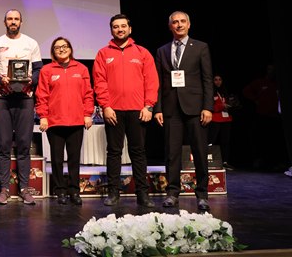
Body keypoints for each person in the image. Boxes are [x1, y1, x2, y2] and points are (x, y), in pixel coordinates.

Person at [93, 14, 159, 208]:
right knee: (114, 152)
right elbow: (99, 81)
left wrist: (149, 105)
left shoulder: (142, 52)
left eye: (123, 26)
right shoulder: (103, 53)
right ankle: (113, 193)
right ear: (111, 30)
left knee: (138, 152)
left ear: (130, 29)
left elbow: (151, 81)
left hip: (138, 111)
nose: (120, 29)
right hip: (113, 111)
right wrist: (105, 106)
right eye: (116, 26)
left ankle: (142, 194)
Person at [154, 11, 213, 212]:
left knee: (200, 152)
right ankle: (172, 193)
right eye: (175, 22)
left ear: (189, 24)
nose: (179, 25)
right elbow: (159, 83)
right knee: (172, 153)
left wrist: (208, 107)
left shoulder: (200, 47)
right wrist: (158, 108)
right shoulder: (162, 50)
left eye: (182, 21)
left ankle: (202, 195)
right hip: (171, 108)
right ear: (170, 26)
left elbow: (207, 79)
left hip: (196, 108)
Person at [0, 9, 43, 205]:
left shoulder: (31, 43)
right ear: (5, 22)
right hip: (2, 98)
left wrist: (31, 80)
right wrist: (1, 79)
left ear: (21, 22)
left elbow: (38, 70)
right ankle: (4, 189)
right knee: (3, 144)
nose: (13, 22)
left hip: (25, 98)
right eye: (10, 19)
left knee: (24, 144)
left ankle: (24, 189)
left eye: (16, 19)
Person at [35, 37, 94, 205]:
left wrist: (87, 114)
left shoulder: (81, 69)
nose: (61, 49)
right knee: (57, 159)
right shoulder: (47, 70)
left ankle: (74, 191)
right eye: (57, 47)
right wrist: (43, 116)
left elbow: (88, 94)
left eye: (64, 46)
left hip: (76, 121)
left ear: (70, 48)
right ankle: (60, 191)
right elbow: (42, 95)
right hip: (55, 122)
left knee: (74, 159)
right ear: (53, 52)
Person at [242, 64, 286, 171]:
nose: (271, 71)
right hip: (262, 116)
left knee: (275, 141)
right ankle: (260, 161)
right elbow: (246, 91)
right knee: (261, 139)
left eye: (273, 69)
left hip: (275, 116)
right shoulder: (260, 82)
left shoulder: (278, 83)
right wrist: (256, 99)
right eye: (270, 69)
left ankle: (277, 162)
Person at [208, 74, 236, 170]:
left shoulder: (225, 91)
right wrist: (221, 106)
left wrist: (232, 104)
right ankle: (208, 161)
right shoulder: (210, 92)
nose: (218, 81)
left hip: (226, 119)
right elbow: (210, 106)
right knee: (211, 141)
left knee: (225, 141)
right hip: (215, 119)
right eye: (215, 80)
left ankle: (225, 162)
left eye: (220, 79)